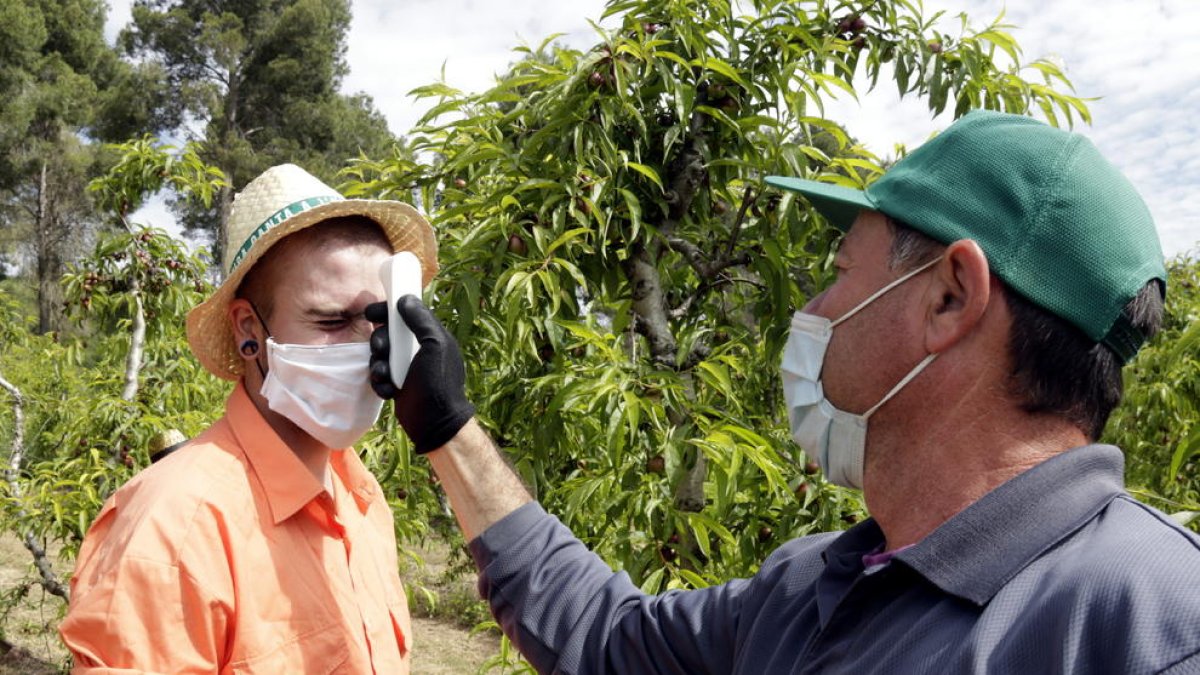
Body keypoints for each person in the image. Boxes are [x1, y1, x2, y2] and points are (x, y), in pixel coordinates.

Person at [369, 110, 1200, 674]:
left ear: (951, 297)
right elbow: (603, 636)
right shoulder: (815, 586)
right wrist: (447, 426)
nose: (813, 309)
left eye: (839, 271)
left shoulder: (1152, 625)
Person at [60, 164, 438, 673]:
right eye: (331, 321)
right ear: (248, 329)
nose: (366, 346)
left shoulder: (361, 497)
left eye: (379, 320)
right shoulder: (175, 529)